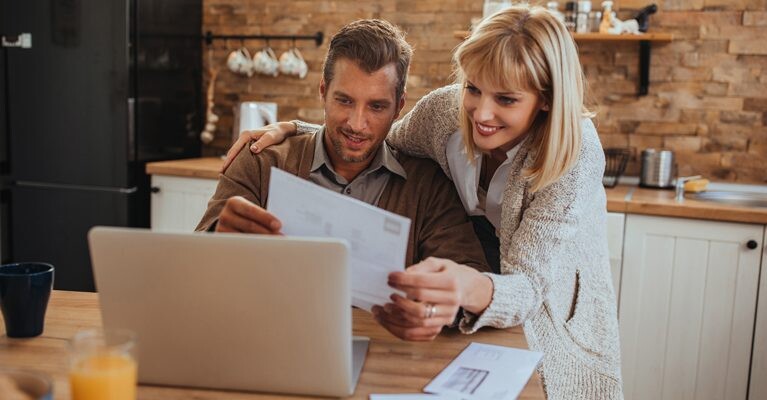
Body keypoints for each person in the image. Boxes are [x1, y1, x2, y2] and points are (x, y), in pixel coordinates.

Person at [223, 5, 623, 399]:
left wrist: (467, 288)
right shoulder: (445, 113)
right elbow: (381, 136)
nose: (481, 113)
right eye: (473, 88)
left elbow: (530, 287)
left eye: (506, 99)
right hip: (481, 269)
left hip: (552, 297)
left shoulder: (575, 155)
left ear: (547, 100)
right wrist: (297, 129)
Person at [196, 19, 489, 277]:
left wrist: (440, 297)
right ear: (323, 91)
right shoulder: (260, 161)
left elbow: (469, 275)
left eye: (376, 106)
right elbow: (196, 263)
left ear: (399, 107)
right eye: (344, 100)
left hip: (386, 339)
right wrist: (219, 238)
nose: (357, 124)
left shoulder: (428, 185)